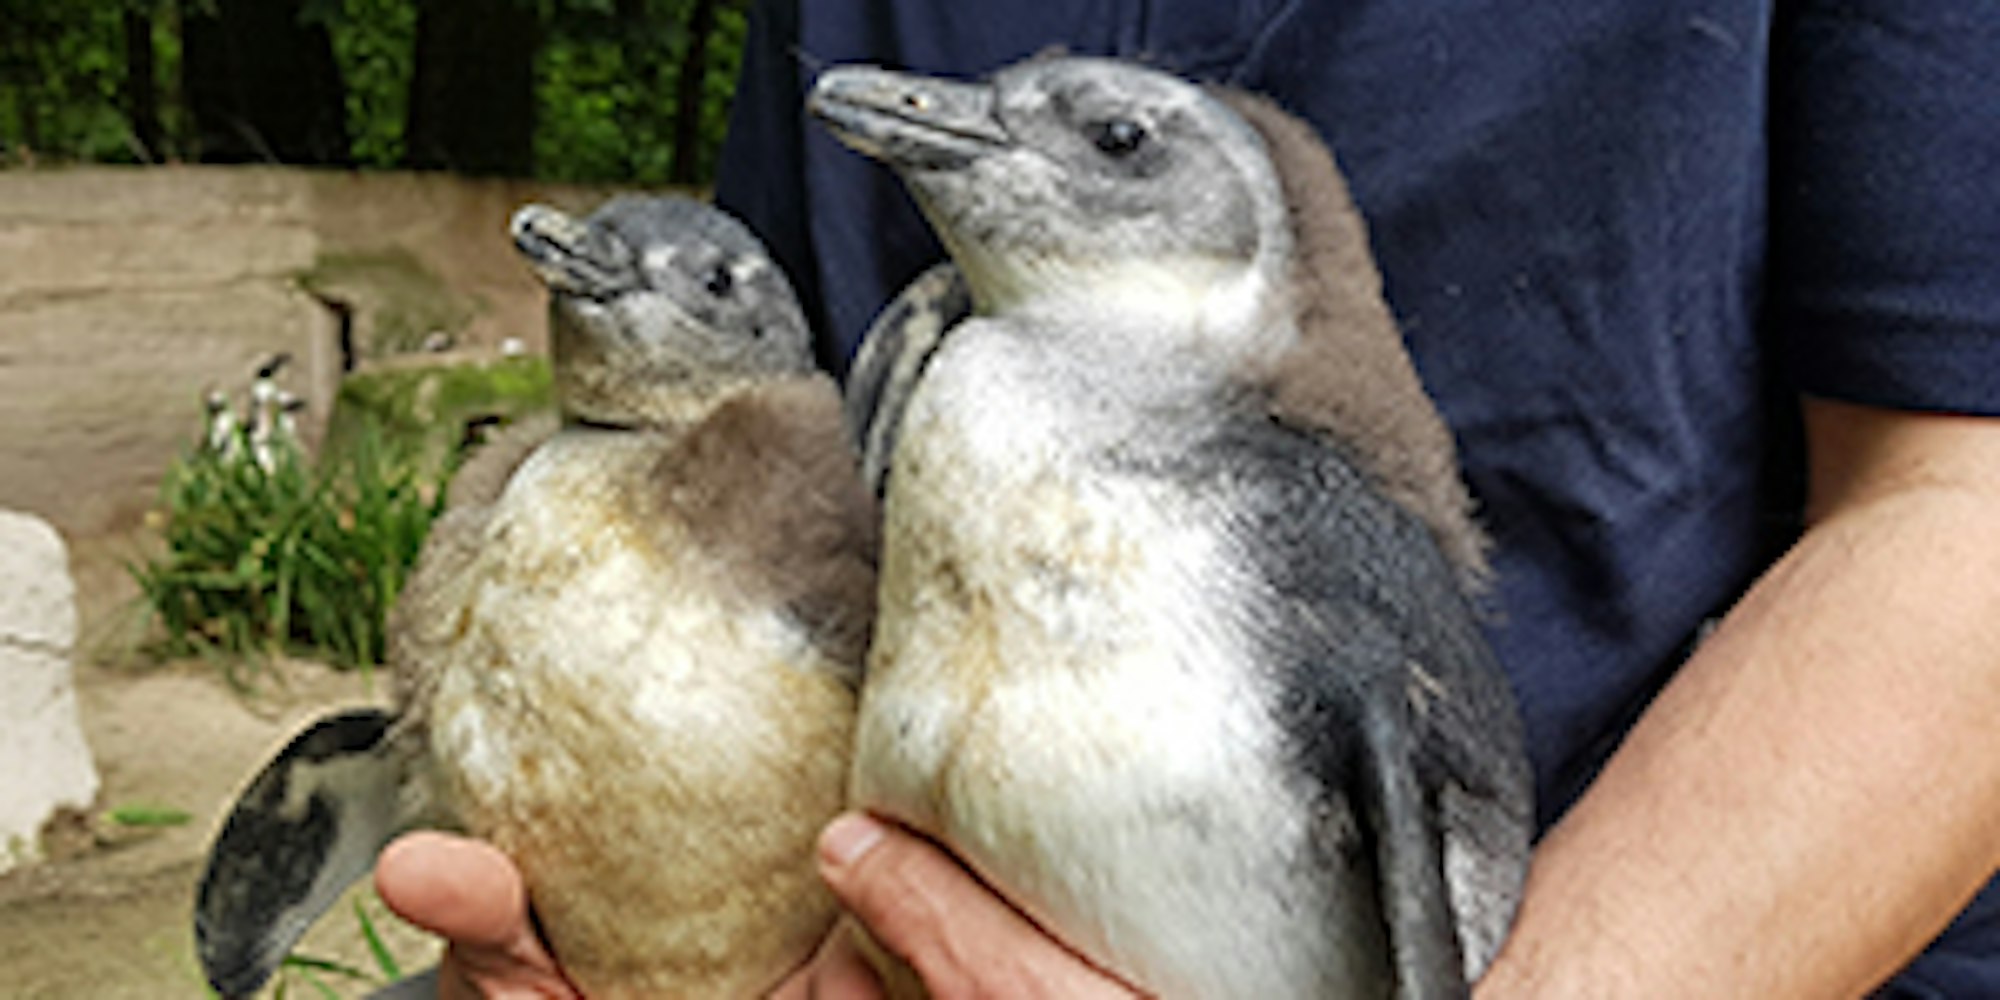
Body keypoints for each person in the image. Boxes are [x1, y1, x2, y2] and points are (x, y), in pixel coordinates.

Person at [376, 2, 2000, 996]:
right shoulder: (956, 345)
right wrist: (669, 946)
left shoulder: (1298, 516)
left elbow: (1963, 504)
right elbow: (774, 458)